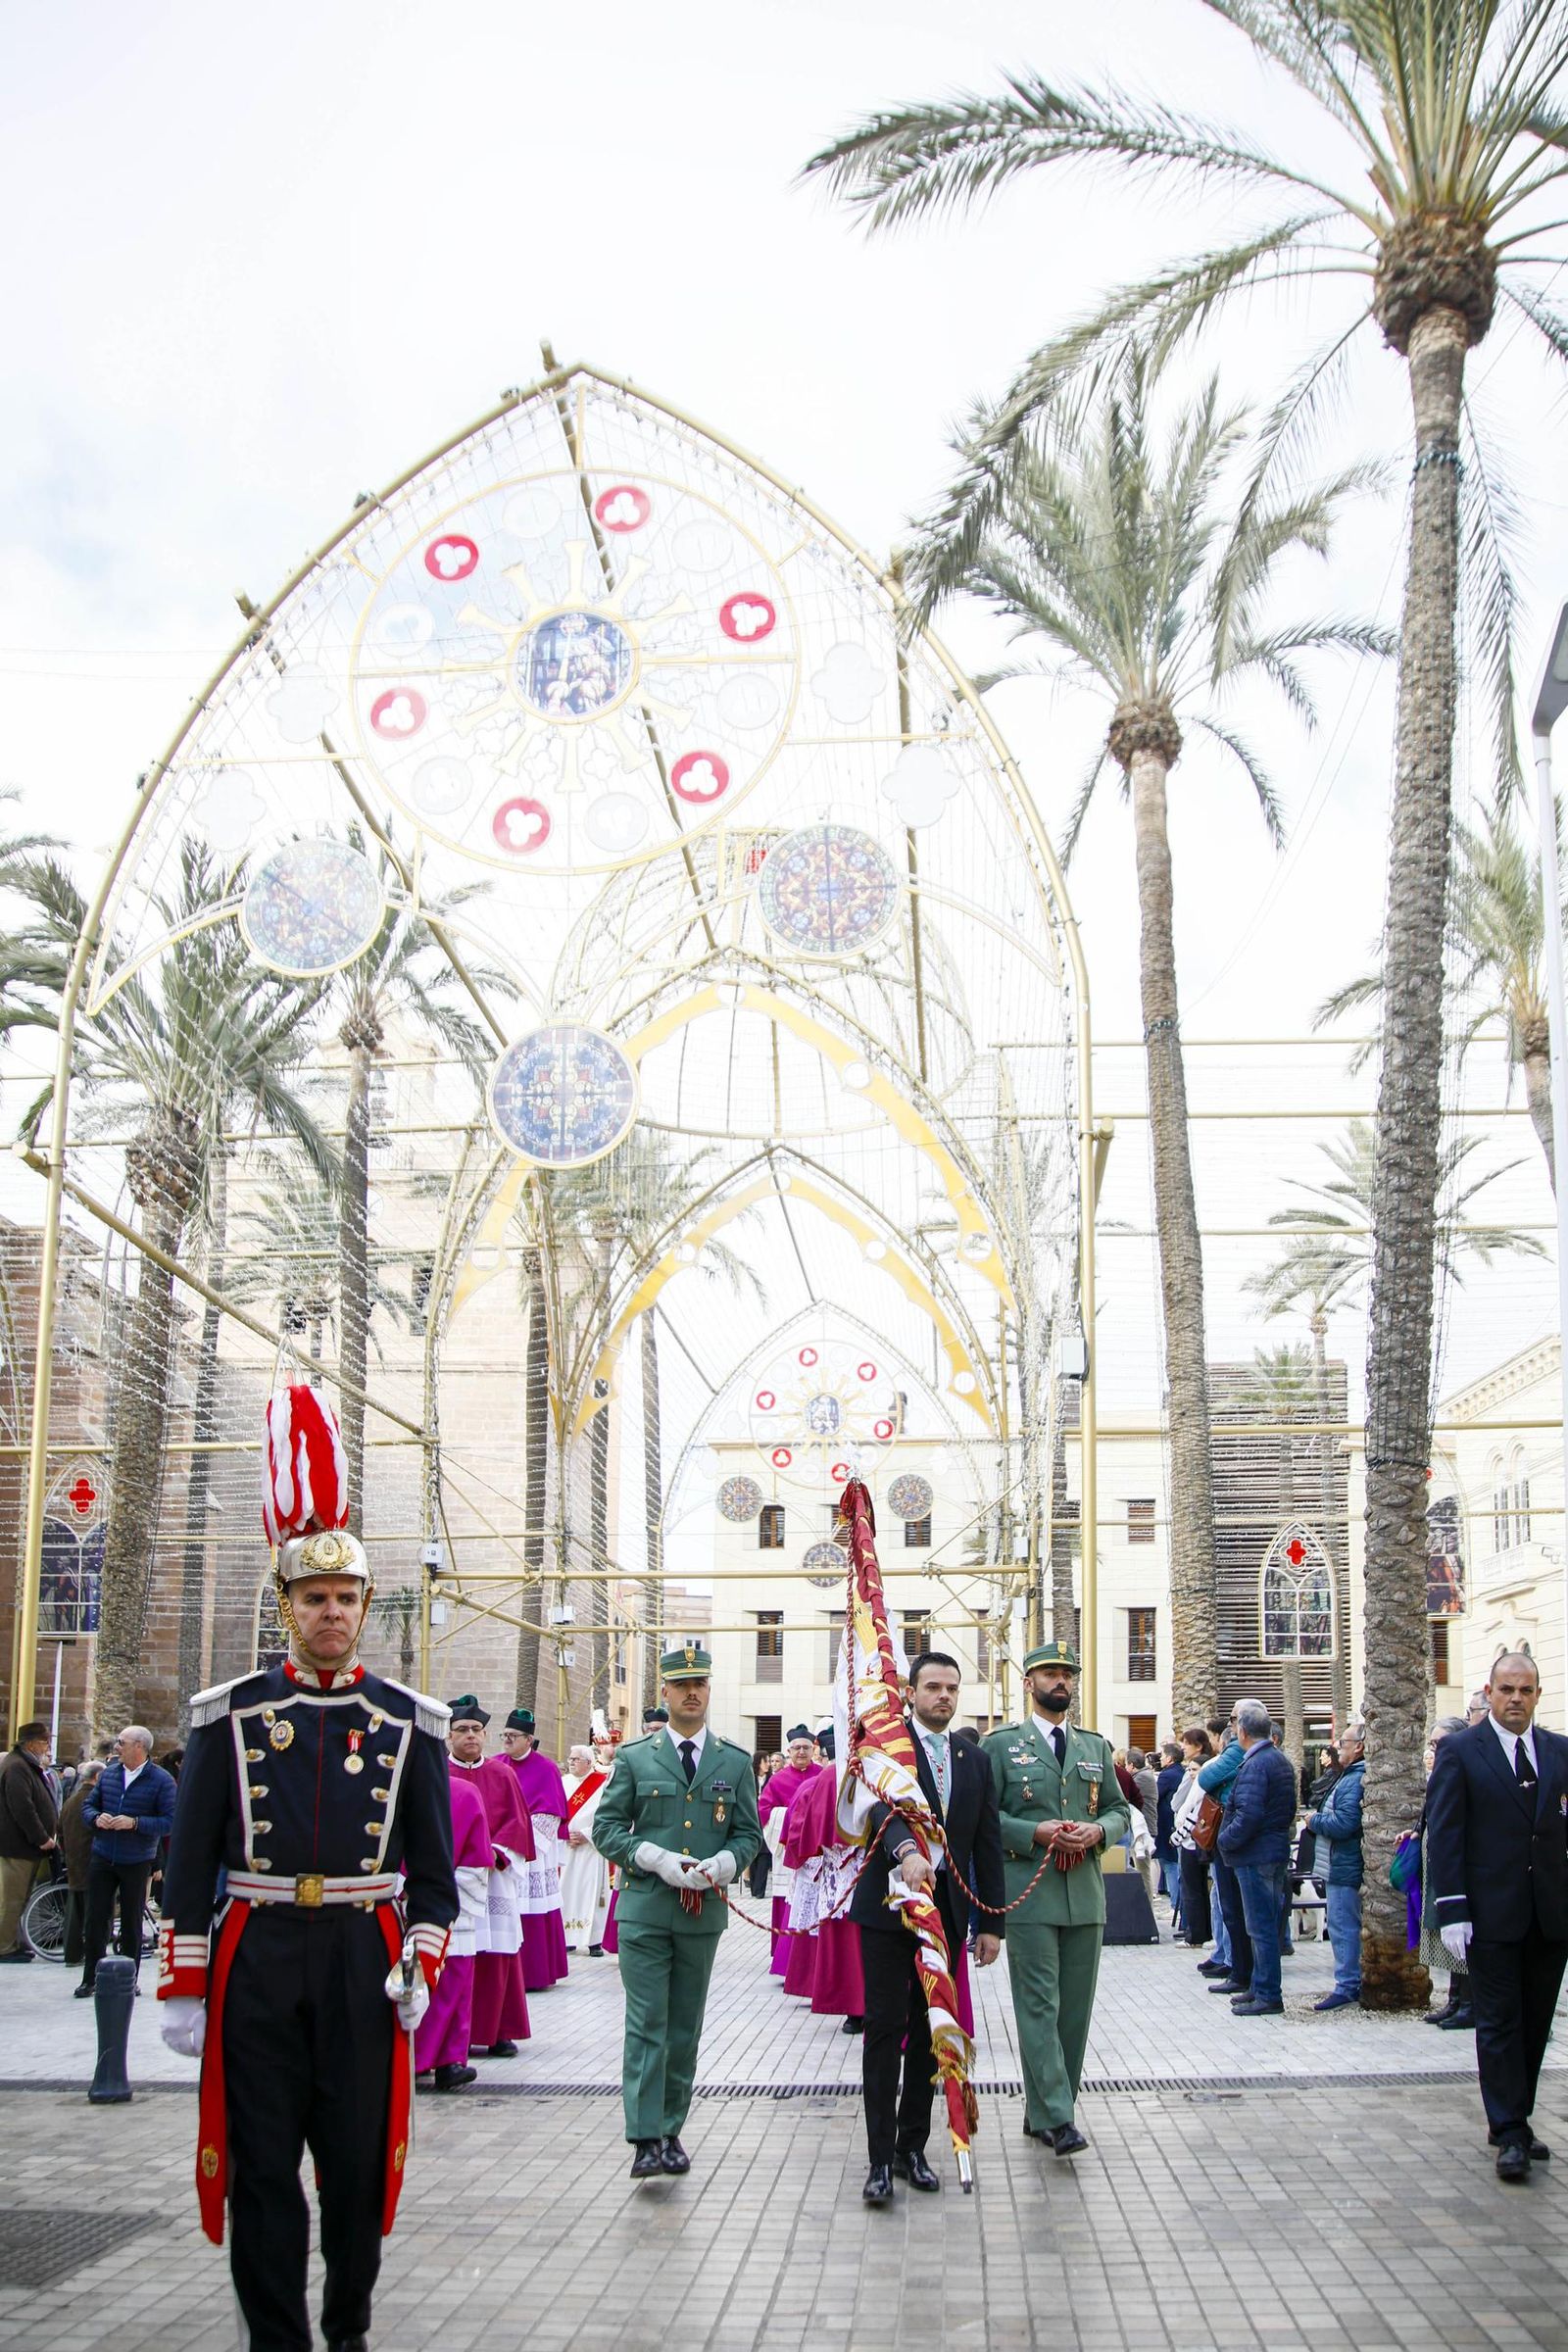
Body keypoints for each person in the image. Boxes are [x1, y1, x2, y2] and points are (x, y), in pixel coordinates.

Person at [156, 1384, 458, 2352]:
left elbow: (437, 1880)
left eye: (346, 1598)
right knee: (263, 2166)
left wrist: (421, 1962)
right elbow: (189, 1858)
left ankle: (350, 2331)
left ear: (366, 1606)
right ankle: (276, 2340)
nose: (331, 1613)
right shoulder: (227, 1716)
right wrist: (184, 1983)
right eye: (313, 1596)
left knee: (358, 2170)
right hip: (257, 1957)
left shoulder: (409, 1724)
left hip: (364, 1963)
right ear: (285, 1602)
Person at [593, 1639, 761, 2180]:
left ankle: (670, 2130)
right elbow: (605, 1828)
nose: (692, 1693)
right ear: (664, 1691)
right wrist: (652, 1857)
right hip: (644, 1908)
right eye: (681, 1685)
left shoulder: (733, 1762)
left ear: (709, 1690)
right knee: (647, 2022)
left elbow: (748, 1835)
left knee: (685, 2025)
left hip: (700, 1913)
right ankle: (643, 2137)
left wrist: (723, 1866)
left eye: (700, 1684)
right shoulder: (637, 1758)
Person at [856, 1652, 1003, 2201]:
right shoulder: (888, 1750)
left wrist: (990, 1923)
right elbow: (876, 1811)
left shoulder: (973, 1757)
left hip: (948, 1915)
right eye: (933, 1687)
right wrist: (905, 1851)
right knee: (885, 2030)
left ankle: (910, 2149)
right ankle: (876, 2158)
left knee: (930, 2032)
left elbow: (984, 1841)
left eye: (952, 1688)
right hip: (890, 1910)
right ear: (911, 1693)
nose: (944, 1696)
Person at [1426, 1650, 1568, 2182]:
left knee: (1535, 2026)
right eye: (1505, 1690)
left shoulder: (1559, 1753)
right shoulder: (1463, 1751)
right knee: (1499, 2023)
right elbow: (1445, 1833)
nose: (1514, 1699)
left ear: (1537, 1695)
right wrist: (1454, 1909)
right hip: (1488, 1916)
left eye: (1524, 1690)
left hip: (1549, 1916)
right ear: (1489, 1693)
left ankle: (1516, 2115)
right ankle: (1509, 2130)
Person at [983, 1641, 1128, 2158]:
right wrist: (1034, 1831)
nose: (1060, 1681)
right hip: (1030, 1894)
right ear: (1029, 1683)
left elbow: (1119, 1811)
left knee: (1074, 2012)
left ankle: (1042, 2108)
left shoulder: (1093, 1746)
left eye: (1067, 1672)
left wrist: (1098, 1832)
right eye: (1049, 1673)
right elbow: (984, 1821)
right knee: (1039, 2006)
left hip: (1084, 1896)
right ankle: (1058, 2117)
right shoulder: (1000, 1747)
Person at [446, 1698, 533, 2058]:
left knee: (497, 1956)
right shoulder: (435, 1772)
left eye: (477, 1730)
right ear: (449, 1736)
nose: (471, 1737)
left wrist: (497, 1852)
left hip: (495, 1877)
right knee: (452, 1961)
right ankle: (453, 2037)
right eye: (463, 1730)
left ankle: (497, 2029)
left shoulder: (502, 1774)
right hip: (453, 1880)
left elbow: (518, 1823)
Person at [77, 1725, 177, 1996]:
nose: (117, 1747)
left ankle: (128, 1980)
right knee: (96, 1918)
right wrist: (96, 1818)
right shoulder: (109, 1774)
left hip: (136, 1859)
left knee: (132, 1921)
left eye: (123, 1742)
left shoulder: (162, 1781)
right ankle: (91, 1978)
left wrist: (134, 1823)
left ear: (139, 1747)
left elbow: (169, 1822)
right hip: (103, 1854)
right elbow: (88, 1806)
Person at [1215, 1698, 1298, 2016]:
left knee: (1260, 1927)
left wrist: (1225, 1840)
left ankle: (1267, 1994)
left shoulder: (1257, 1764)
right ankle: (1259, 1986)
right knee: (1262, 1925)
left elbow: (1248, 1814)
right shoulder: (1278, 1760)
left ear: (1243, 1731)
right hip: (1270, 1850)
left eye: (1236, 1725)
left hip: (1255, 1856)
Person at [782, 1723, 865, 2033]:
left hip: (837, 1873)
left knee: (846, 1945)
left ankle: (853, 2010)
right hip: (862, 1872)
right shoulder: (867, 1772)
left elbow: (807, 1836)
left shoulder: (826, 1778)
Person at [498, 1707, 570, 1989]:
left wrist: (522, 1844)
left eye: (512, 1736)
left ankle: (535, 1973)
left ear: (528, 1740)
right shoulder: (497, 1764)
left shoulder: (546, 1769)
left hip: (533, 1854)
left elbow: (550, 1816)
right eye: (504, 1735)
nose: (506, 1741)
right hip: (500, 1851)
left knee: (533, 1909)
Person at [1305, 1720, 1365, 2010]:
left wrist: (1313, 1820)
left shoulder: (1354, 1779)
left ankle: (1348, 1984)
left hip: (1344, 1865)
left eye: (1343, 1743)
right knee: (1342, 1924)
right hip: (1338, 1864)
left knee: (1342, 1925)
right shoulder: (1347, 1776)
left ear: (1359, 1747)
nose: (1338, 1748)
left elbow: (1345, 1823)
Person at [1420, 1716, 1472, 2030]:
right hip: (1436, 1862)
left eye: (1438, 1744)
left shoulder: (1463, 1774)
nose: (1432, 1751)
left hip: (1457, 1870)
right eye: (1431, 1744)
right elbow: (1431, 1813)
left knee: (1460, 1938)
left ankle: (1467, 2003)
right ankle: (1455, 2000)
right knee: (1445, 1936)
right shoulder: (1440, 1775)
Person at [760, 1726, 821, 1974]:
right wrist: (793, 1817)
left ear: (813, 1750)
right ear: (789, 1751)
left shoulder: (823, 1775)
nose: (802, 1752)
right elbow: (764, 1810)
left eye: (806, 1748)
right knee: (786, 1903)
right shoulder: (778, 1779)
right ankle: (782, 1957)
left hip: (815, 1854)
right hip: (788, 1849)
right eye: (797, 1748)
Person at [0, 1721, 58, 1962]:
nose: (48, 1746)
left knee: (20, 1897)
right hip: (18, 1846)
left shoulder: (24, 1765)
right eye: (45, 1741)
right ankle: (4, 1947)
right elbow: (22, 1807)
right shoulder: (17, 1767)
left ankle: (13, 1941)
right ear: (31, 1743)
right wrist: (41, 1837)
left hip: (26, 1847)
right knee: (11, 1899)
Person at [560, 1742, 612, 1954]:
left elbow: (606, 1816)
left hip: (591, 1849)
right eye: (570, 1759)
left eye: (575, 1759)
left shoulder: (602, 1784)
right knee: (566, 1891)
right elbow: (555, 1813)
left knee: (592, 1893)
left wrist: (587, 1835)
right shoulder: (563, 1782)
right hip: (567, 1848)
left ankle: (593, 1941)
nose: (571, 1762)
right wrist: (564, 1834)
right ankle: (567, 1938)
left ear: (589, 1762)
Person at [57, 1760, 103, 1969]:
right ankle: (93, 1954)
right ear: (97, 1778)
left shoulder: (71, 1801)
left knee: (74, 1910)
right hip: (92, 1861)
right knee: (96, 1912)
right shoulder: (94, 1801)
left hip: (74, 1859)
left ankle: (72, 1954)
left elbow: (60, 1831)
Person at [1171, 1728, 1214, 1947]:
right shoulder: (1191, 1777)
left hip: (1192, 1840)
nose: (1183, 1747)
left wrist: (1177, 1836)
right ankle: (1196, 1930)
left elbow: (1191, 1811)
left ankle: (1197, 1934)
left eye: (1187, 1743)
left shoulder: (1203, 1779)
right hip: (1190, 1839)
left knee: (1194, 1889)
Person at [1153, 1740, 1185, 1925]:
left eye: (1163, 1755)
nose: (1161, 1758)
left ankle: (1176, 1905)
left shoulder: (1167, 1775)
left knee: (1169, 1864)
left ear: (1170, 1758)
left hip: (1166, 1825)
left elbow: (1156, 1795)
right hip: (1172, 1824)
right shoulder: (1180, 1772)